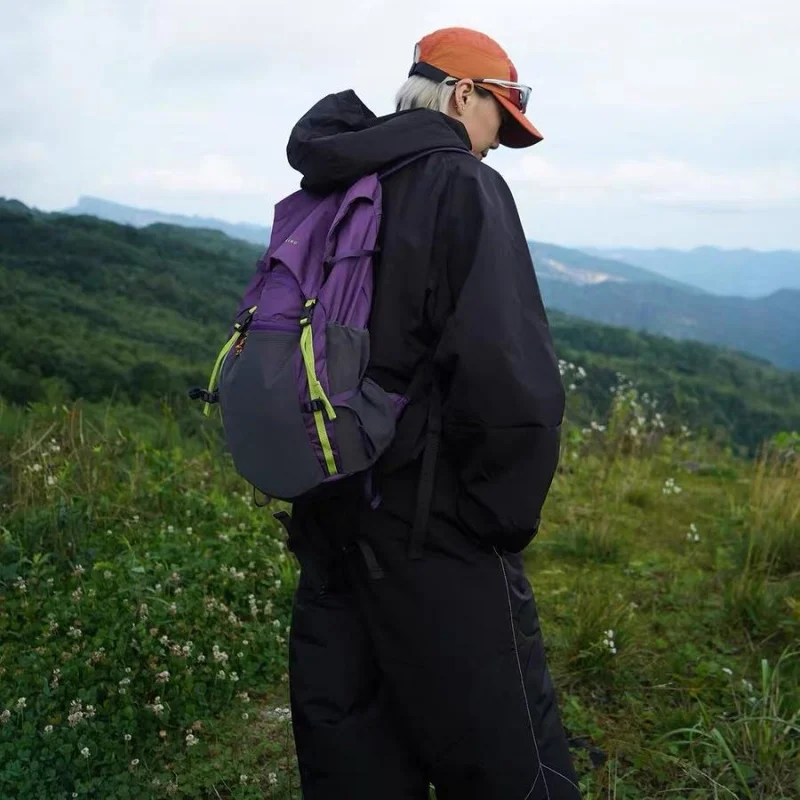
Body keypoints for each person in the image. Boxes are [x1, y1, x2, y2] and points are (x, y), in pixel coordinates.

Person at [284, 26, 581, 800]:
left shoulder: (340, 178)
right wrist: (497, 522)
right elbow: (507, 376)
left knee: (356, 750)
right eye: (495, 126)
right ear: (461, 96)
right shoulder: (461, 184)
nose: (490, 148)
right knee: (510, 761)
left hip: (330, 506)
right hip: (434, 525)